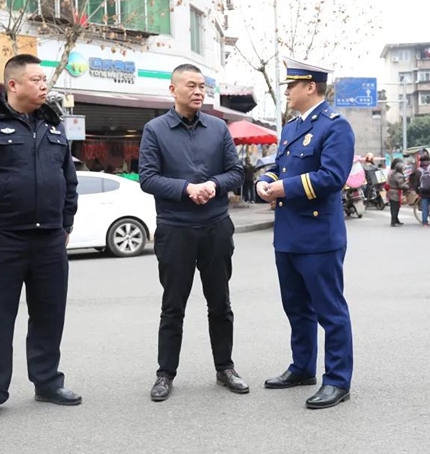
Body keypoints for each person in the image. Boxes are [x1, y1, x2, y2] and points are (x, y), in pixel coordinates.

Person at [0, 54, 80, 424]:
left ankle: (47, 383)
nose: (44, 85)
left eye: (45, 80)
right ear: (13, 84)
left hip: (49, 242)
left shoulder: (54, 125)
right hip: (2, 240)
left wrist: (66, 223)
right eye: (37, 80)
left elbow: (68, 180)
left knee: (49, 315)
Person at [139, 63, 247, 402]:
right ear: (173, 90)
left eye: (202, 85)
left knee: (221, 303)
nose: (198, 91)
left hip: (215, 227)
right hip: (175, 229)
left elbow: (236, 172)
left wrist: (213, 185)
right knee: (173, 306)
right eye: (191, 85)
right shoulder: (155, 130)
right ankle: (165, 373)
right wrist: (187, 188)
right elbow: (148, 178)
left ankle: (225, 367)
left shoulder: (218, 128)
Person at [256, 56, 355, 410]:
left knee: (330, 311)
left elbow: (332, 177)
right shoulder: (291, 126)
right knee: (296, 308)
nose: (286, 91)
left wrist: (283, 188)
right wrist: (265, 181)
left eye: (290, 85)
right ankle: (302, 368)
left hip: (318, 237)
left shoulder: (335, 126)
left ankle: (337, 380)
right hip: (288, 235)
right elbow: (278, 166)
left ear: (309, 87)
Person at [387, 160, 408, 227]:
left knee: (394, 207)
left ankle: (396, 220)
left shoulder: (393, 174)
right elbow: (401, 185)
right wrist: (408, 186)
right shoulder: (399, 176)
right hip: (395, 193)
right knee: (395, 208)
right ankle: (393, 222)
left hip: (391, 192)